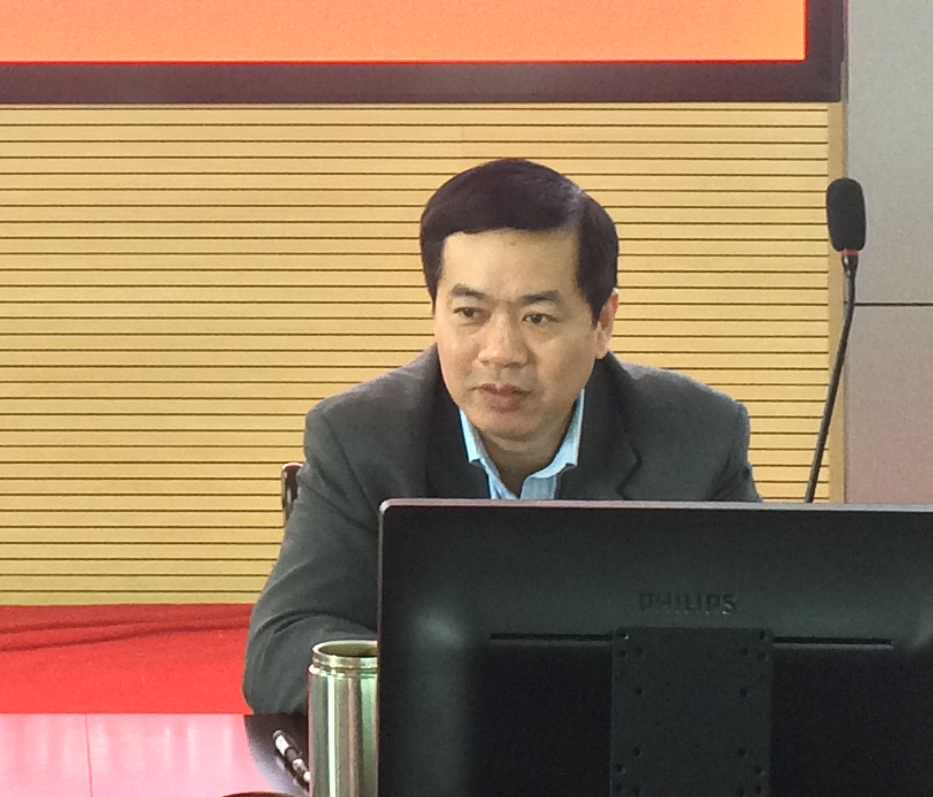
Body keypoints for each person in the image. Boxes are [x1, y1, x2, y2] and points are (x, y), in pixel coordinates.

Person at [241, 158, 760, 714]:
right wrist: (485, 691)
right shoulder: (362, 438)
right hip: (442, 756)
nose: (501, 352)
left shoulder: (697, 438)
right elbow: (282, 649)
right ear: (435, 312)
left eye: (538, 318)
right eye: (470, 312)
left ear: (602, 323)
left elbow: (763, 643)